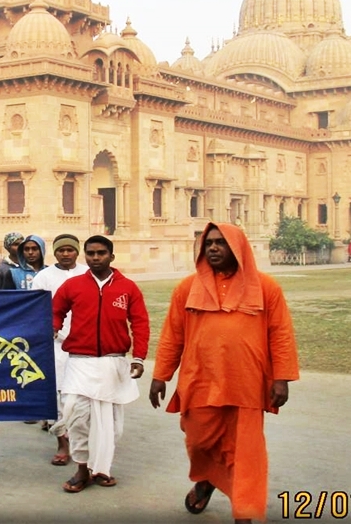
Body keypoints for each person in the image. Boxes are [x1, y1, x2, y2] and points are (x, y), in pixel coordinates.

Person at [148, 223, 299, 522]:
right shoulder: (187, 288)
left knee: (246, 452)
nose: (213, 248)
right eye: (209, 243)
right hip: (199, 380)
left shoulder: (266, 287)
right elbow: (172, 335)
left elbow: (280, 334)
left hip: (247, 383)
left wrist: (281, 377)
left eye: (221, 243)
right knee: (198, 439)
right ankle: (207, 478)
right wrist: (160, 375)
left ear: (239, 248)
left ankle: (244, 511)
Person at [49, 235, 149, 493]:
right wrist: (53, 327)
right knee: (77, 417)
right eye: (91, 253)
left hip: (113, 363)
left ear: (111, 256)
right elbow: (56, 311)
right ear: (86, 256)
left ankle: (101, 469)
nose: (95, 258)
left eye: (101, 253)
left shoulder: (128, 288)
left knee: (110, 424)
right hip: (80, 362)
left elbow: (140, 323)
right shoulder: (72, 286)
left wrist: (138, 357)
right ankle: (82, 470)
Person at [30, 233, 87, 466]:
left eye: (70, 250)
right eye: (61, 250)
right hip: (55, 344)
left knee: (83, 397)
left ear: (77, 251)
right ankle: (63, 444)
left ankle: (83, 444)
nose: (65, 254)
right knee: (60, 396)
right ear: (54, 252)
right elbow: (35, 308)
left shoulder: (87, 273)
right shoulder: (44, 277)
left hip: (86, 344)